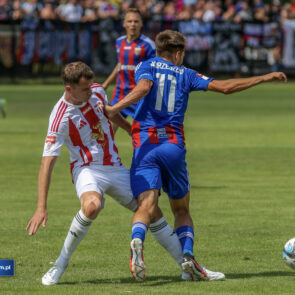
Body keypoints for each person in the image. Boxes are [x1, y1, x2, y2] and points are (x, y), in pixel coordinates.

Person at [105, 30, 287, 281]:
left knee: (146, 205)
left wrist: (115, 108)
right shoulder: (186, 73)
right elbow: (225, 88)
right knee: (181, 209)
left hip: (145, 145)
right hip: (172, 147)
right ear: (178, 53)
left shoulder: (145, 66)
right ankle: (188, 258)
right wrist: (264, 77)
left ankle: (137, 241)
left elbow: (145, 87)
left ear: (158, 50)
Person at [25, 61, 197, 285]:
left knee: (151, 210)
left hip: (114, 166)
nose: (92, 90)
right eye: (85, 89)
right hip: (86, 169)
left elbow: (110, 114)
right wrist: (41, 208)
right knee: (92, 206)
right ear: (69, 89)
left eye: (90, 86)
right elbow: (46, 164)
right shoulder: (59, 118)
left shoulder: (96, 91)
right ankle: (59, 265)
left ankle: (188, 268)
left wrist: (129, 131)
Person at [102, 8, 156, 133]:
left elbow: (154, 70)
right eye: (130, 21)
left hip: (138, 95)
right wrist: (106, 83)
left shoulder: (148, 44)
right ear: (124, 24)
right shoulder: (119, 42)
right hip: (119, 94)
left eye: (136, 21)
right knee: (108, 133)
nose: (133, 24)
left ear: (141, 24)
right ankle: (108, 153)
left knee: (144, 133)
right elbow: (120, 64)